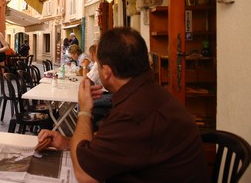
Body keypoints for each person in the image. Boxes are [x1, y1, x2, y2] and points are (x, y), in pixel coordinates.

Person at [38, 27, 209, 182]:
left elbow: (85, 174)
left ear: (106, 71)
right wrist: (68, 142)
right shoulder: (146, 93)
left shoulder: (136, 111)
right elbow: (117, 141)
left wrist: (84, 111)